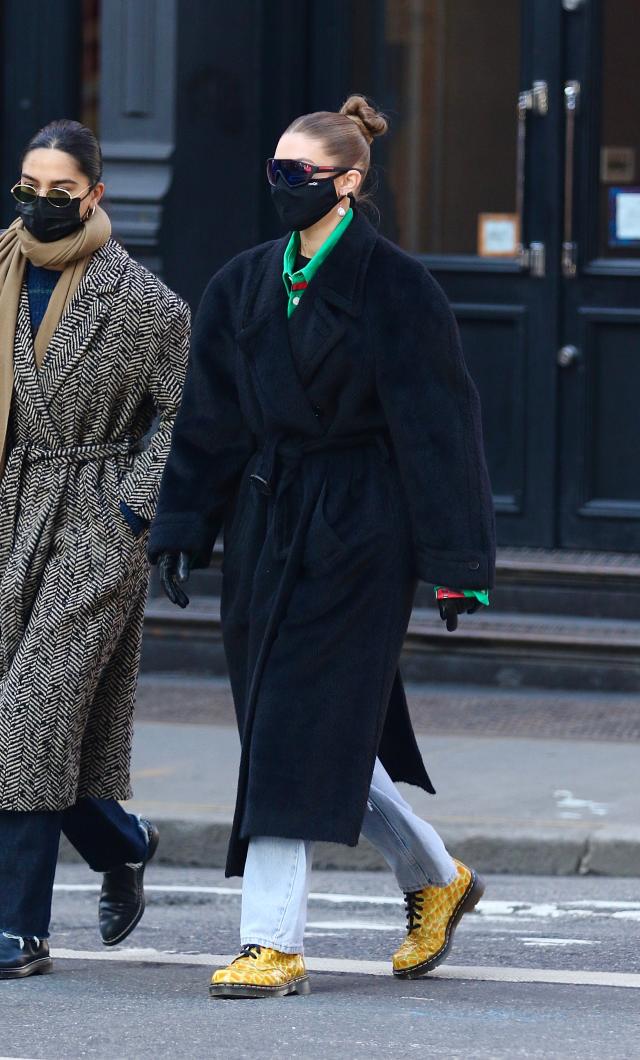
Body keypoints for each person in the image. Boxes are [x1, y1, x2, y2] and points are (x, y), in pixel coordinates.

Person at [150, 95, 495, 999]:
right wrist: (183, 525)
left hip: (361, 530)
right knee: (294, 729)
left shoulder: (398, 289)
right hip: (269, 522)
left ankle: (272, 943)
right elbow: (210, 421)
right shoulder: (242, 284)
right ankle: (438, 877)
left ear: (348, 180)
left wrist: (460, 568)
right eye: (273, 171)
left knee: (294, 727)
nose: (281, 187)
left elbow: (439, 429)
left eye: (298, 174)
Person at [0, 120, 189, 979]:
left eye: (60, 193)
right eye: (27, 190)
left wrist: (132, 510)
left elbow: (183, 414)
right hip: (11, 505)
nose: (40, 206)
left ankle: (20, 926)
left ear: (95, 196)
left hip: (94, 518)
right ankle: (121, 839)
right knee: (25, 726)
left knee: (30, 711)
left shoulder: (146, 303)